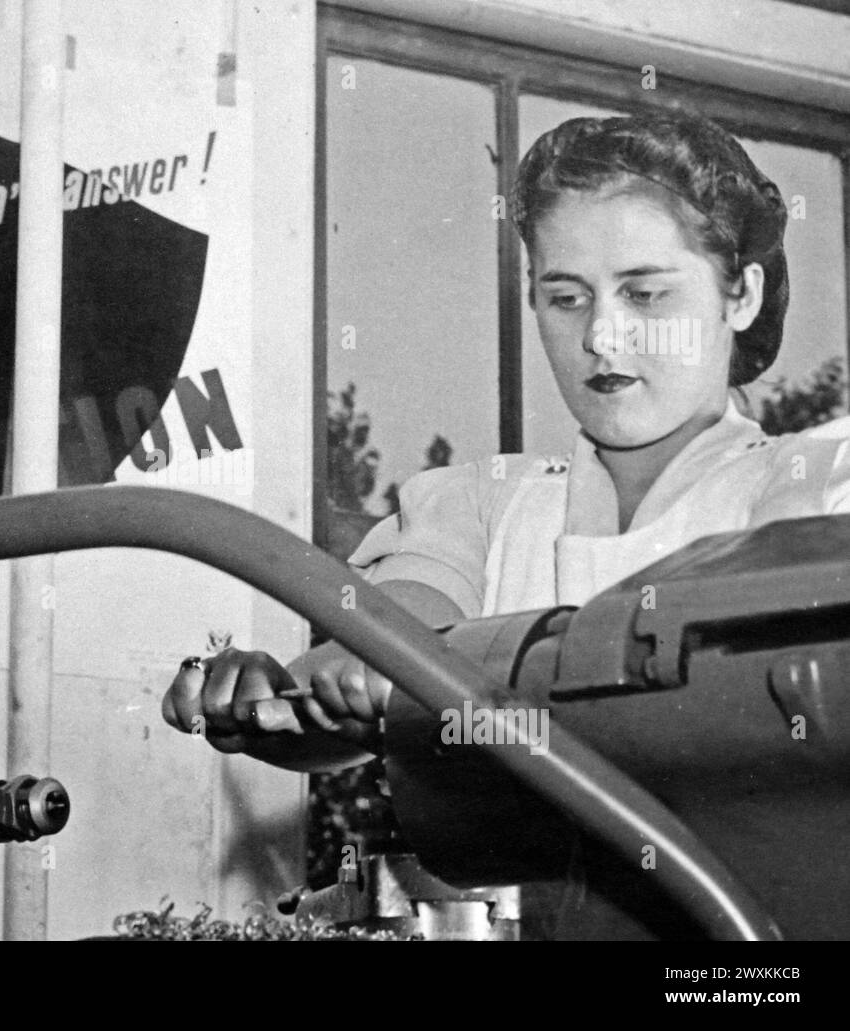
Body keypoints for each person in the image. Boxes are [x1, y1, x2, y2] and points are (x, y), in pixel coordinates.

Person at [162, 108, 850, 773]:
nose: (602, 337)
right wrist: (276, 697)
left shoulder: (816, 485)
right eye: (566, 298)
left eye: (644, 295)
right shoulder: (485, 501)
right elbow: (382, 645)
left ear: (742, 296)